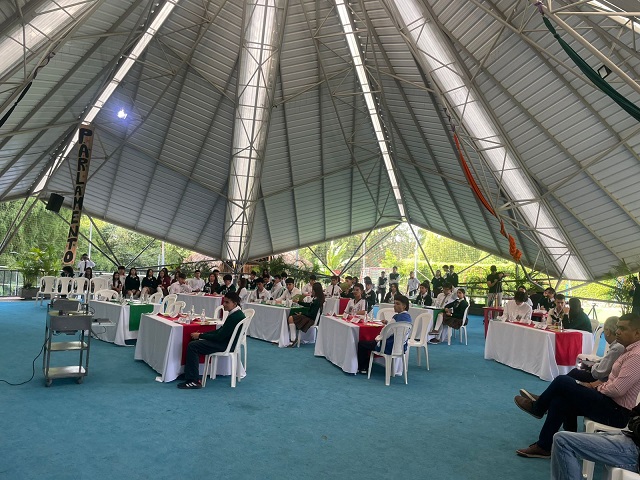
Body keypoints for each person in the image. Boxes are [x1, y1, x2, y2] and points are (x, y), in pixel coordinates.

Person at [513, 313, 640, 458]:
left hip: (618, 413)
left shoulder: (636, 356)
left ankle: (538, 407)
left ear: (637, 333)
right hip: (610, 403)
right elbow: (614, 382)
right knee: (560, 400)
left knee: (562, 381)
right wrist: (598, 385)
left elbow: (617, 389)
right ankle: (545, 446)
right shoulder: (629, 350)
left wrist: (595, 387)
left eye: (623, 329)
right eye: (617, 328)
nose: (617, 331)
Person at [550, 403, 640, 480]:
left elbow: (615, 392)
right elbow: (633, 415)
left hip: (634, 449)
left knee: (562, 440)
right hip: (629, 436)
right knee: (562, 398)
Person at [178, 292, 246, 389]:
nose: (224, 304)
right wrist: (202, 335)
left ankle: (194, 380)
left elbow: (219, 336)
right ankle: (190, 374)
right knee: (193, 343)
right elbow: (221, 331)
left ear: (234, 303)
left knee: (193, 346)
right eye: (224, 302)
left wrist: (201, 335)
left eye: (227, 302)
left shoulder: (234, 317)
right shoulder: (237, 313)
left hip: (225, 345)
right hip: (227, 343)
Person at [356, 294, 412, 374]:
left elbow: (386, 332)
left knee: (362, 344)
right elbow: (397, 328)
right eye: (394, 303)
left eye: (397, 304)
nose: (394, 306)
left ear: (404, 306)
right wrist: (388, 323)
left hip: (388, 346)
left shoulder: (396, 317)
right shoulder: (409, 318)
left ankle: (363, 368)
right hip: (401, 347)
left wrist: (377, 339)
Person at [567, 316, 625, 383]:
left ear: (608, 332)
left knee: (566, 377)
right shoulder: (619, 346)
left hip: (602, 381)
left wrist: (591, 367)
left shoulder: (617, 348)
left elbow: (599, 373)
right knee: (572, 374)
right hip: (604, 379)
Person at [286, 282, 325, 346]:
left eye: (312, 290)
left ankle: (293, 339)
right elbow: (309, 305)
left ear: (316, 291)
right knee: (292, 318)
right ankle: (293, 339)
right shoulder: (318, 299)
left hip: (311, 320)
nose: (311, 291)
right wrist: (298, 302)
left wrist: (302, 314)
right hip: (311, 318)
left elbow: (312, 314)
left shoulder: (317, 301)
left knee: (291, 318)